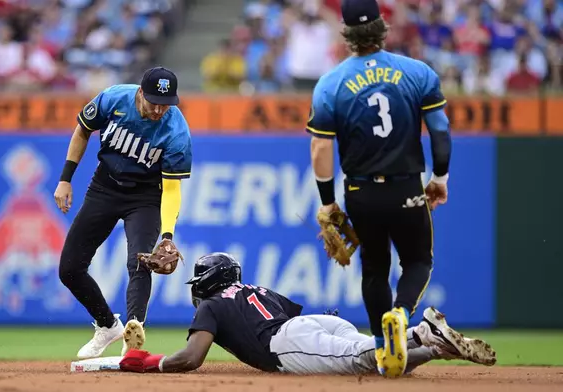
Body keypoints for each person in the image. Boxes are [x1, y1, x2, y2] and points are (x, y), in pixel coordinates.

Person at [307, 0, 452, 378]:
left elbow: (321, 146)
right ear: (382, 27)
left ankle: (381, 347)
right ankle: (401, 316)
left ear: (347, 33)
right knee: (418, 261)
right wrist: (440, 178)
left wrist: (327, 204)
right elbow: (439, 130)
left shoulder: (331, 83)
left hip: (361, 192)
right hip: (406, 186)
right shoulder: (417, 72)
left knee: (373, 268)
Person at [117, 252, 496, 375]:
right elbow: (288, 314)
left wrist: (151, 362)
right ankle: (430, 344)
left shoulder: (213, 305)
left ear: (209, 281)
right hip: (311, 323)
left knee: (364, 361)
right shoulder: (255, 289)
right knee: (382, 364)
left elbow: (191, 357)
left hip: (287, 344)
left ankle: (421, 332)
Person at [53, 66, 193, 359]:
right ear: (140, 92)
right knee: (69, 269)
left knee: (141, 260)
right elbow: (83, 130)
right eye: (153, 101)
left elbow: (171, 189)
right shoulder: (114, 99)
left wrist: (167, 234)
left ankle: (134, 331)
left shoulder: (176, 131)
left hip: (146, 196)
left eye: (165, 104)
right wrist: (66, 178)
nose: (158, 109)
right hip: (104, 187)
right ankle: (107, 326)